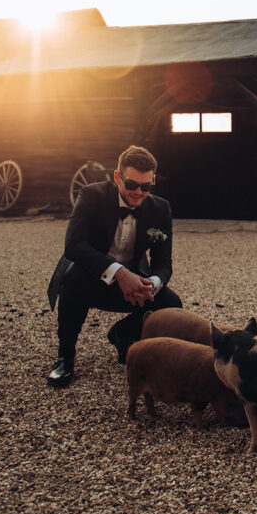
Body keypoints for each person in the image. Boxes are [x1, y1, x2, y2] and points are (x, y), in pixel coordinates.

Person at [44, 145, 182, 387]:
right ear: (117, 177)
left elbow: (163, 262)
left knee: (172, 305)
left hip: (133, 282)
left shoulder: (161, 208)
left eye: (146, 186)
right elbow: (74, 246)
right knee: (72, 281)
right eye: (131, 185)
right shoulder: (91, 195)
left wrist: (153, 283)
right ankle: (65, 356)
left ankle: (124, 333)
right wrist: (119, 272)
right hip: (90, 276)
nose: (139, 192)